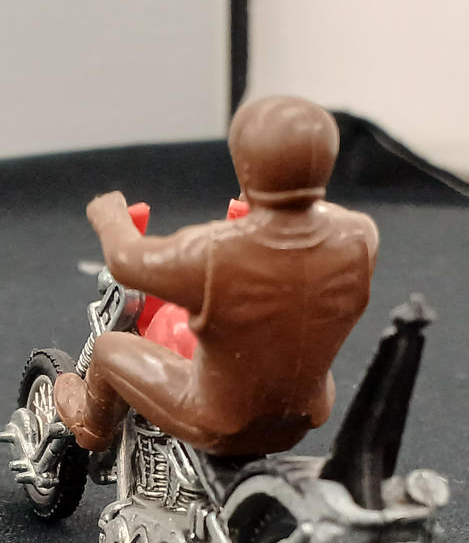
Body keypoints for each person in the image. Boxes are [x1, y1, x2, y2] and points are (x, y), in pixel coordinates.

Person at [53, 95, 378, 457]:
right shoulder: (360, 235)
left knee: (108, 348)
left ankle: (92, 430)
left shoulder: (215, 250)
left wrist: (110, 215)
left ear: (245, 165)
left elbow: (126, 260)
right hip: (304, 412)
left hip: (218, 415)